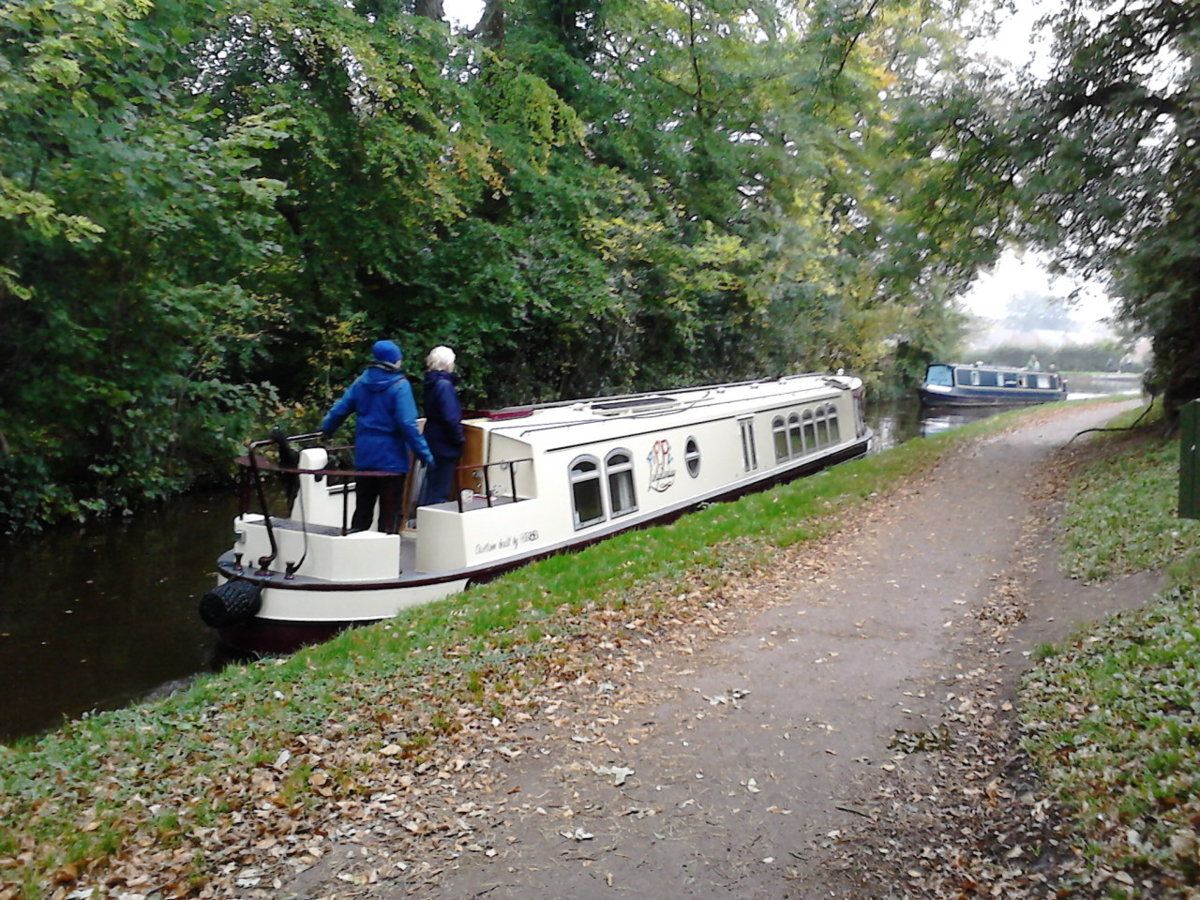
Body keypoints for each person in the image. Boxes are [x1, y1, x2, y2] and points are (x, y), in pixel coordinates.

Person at [320, 340, 432, 533]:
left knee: (363, 509)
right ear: (393, 361)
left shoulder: (361, 382)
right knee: (390, 512)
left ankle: (355, 548)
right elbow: (407, 424)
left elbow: (340, 410)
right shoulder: (400, 386)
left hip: (365, 457)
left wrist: (326, 429)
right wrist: (425, 454)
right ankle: (387, 552)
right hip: (392, 461)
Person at [419, 345, 465, 506]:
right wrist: (459, 439)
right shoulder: (444, 386)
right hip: (445, 443)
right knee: (440, 489)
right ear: (447, 364)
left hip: (432, 438)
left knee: (431, 483)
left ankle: (423, 517)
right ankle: (433, 523)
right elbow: (450, 417)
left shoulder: (430, 383)